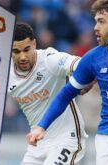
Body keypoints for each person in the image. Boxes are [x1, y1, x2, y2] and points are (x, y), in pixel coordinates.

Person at [28, 0, 108, 165]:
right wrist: (42, 126)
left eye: (101, 21)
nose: (95, 28)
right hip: (105, 136)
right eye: (95, 21)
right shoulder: (93, 58)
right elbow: (65, 94)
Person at [8, 22, 88, 165]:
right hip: (37, 142)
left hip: (67, 139)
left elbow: (82, 65)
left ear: (34, 44)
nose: (23, 57)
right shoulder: (5, 75)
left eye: (27, 49)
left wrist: (84, 80)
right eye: (16, 52)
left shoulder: (49, 60)